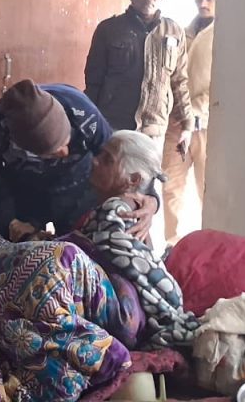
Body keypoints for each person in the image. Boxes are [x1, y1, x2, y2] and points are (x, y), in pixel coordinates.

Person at [0, 78, 157, 240]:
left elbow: (124, 164)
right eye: (53, 153)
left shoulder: (83, 112)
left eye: (67, 141)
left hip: (78, 190)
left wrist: (150, 199)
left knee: (83, 247)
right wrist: (14, 227)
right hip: (27, 193)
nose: (65, 153)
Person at [79, 130, 200, 347]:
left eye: (107, 160)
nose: (95, 161)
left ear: (133, 180)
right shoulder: (128, 211)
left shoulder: (115, 211)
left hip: (125, 319)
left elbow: (93, 252)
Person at [83, 0, 194, 150]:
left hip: (154, 131)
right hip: (115, 126)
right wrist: (90, 123)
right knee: (113, 170)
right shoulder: (109, 29)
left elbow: (179, 81)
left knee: (148, 171)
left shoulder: (174, 32)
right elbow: (93, 81)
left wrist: (187, 124)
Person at [162, 0, 216, 243]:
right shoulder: (183, 33)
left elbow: (223, 83)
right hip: (177, 124)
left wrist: (196, 112)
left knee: (208, 192)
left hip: (208, 128)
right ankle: (173, 246)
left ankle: (209, 248)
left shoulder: (226, 37)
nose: (203, 3)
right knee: (170, 186)